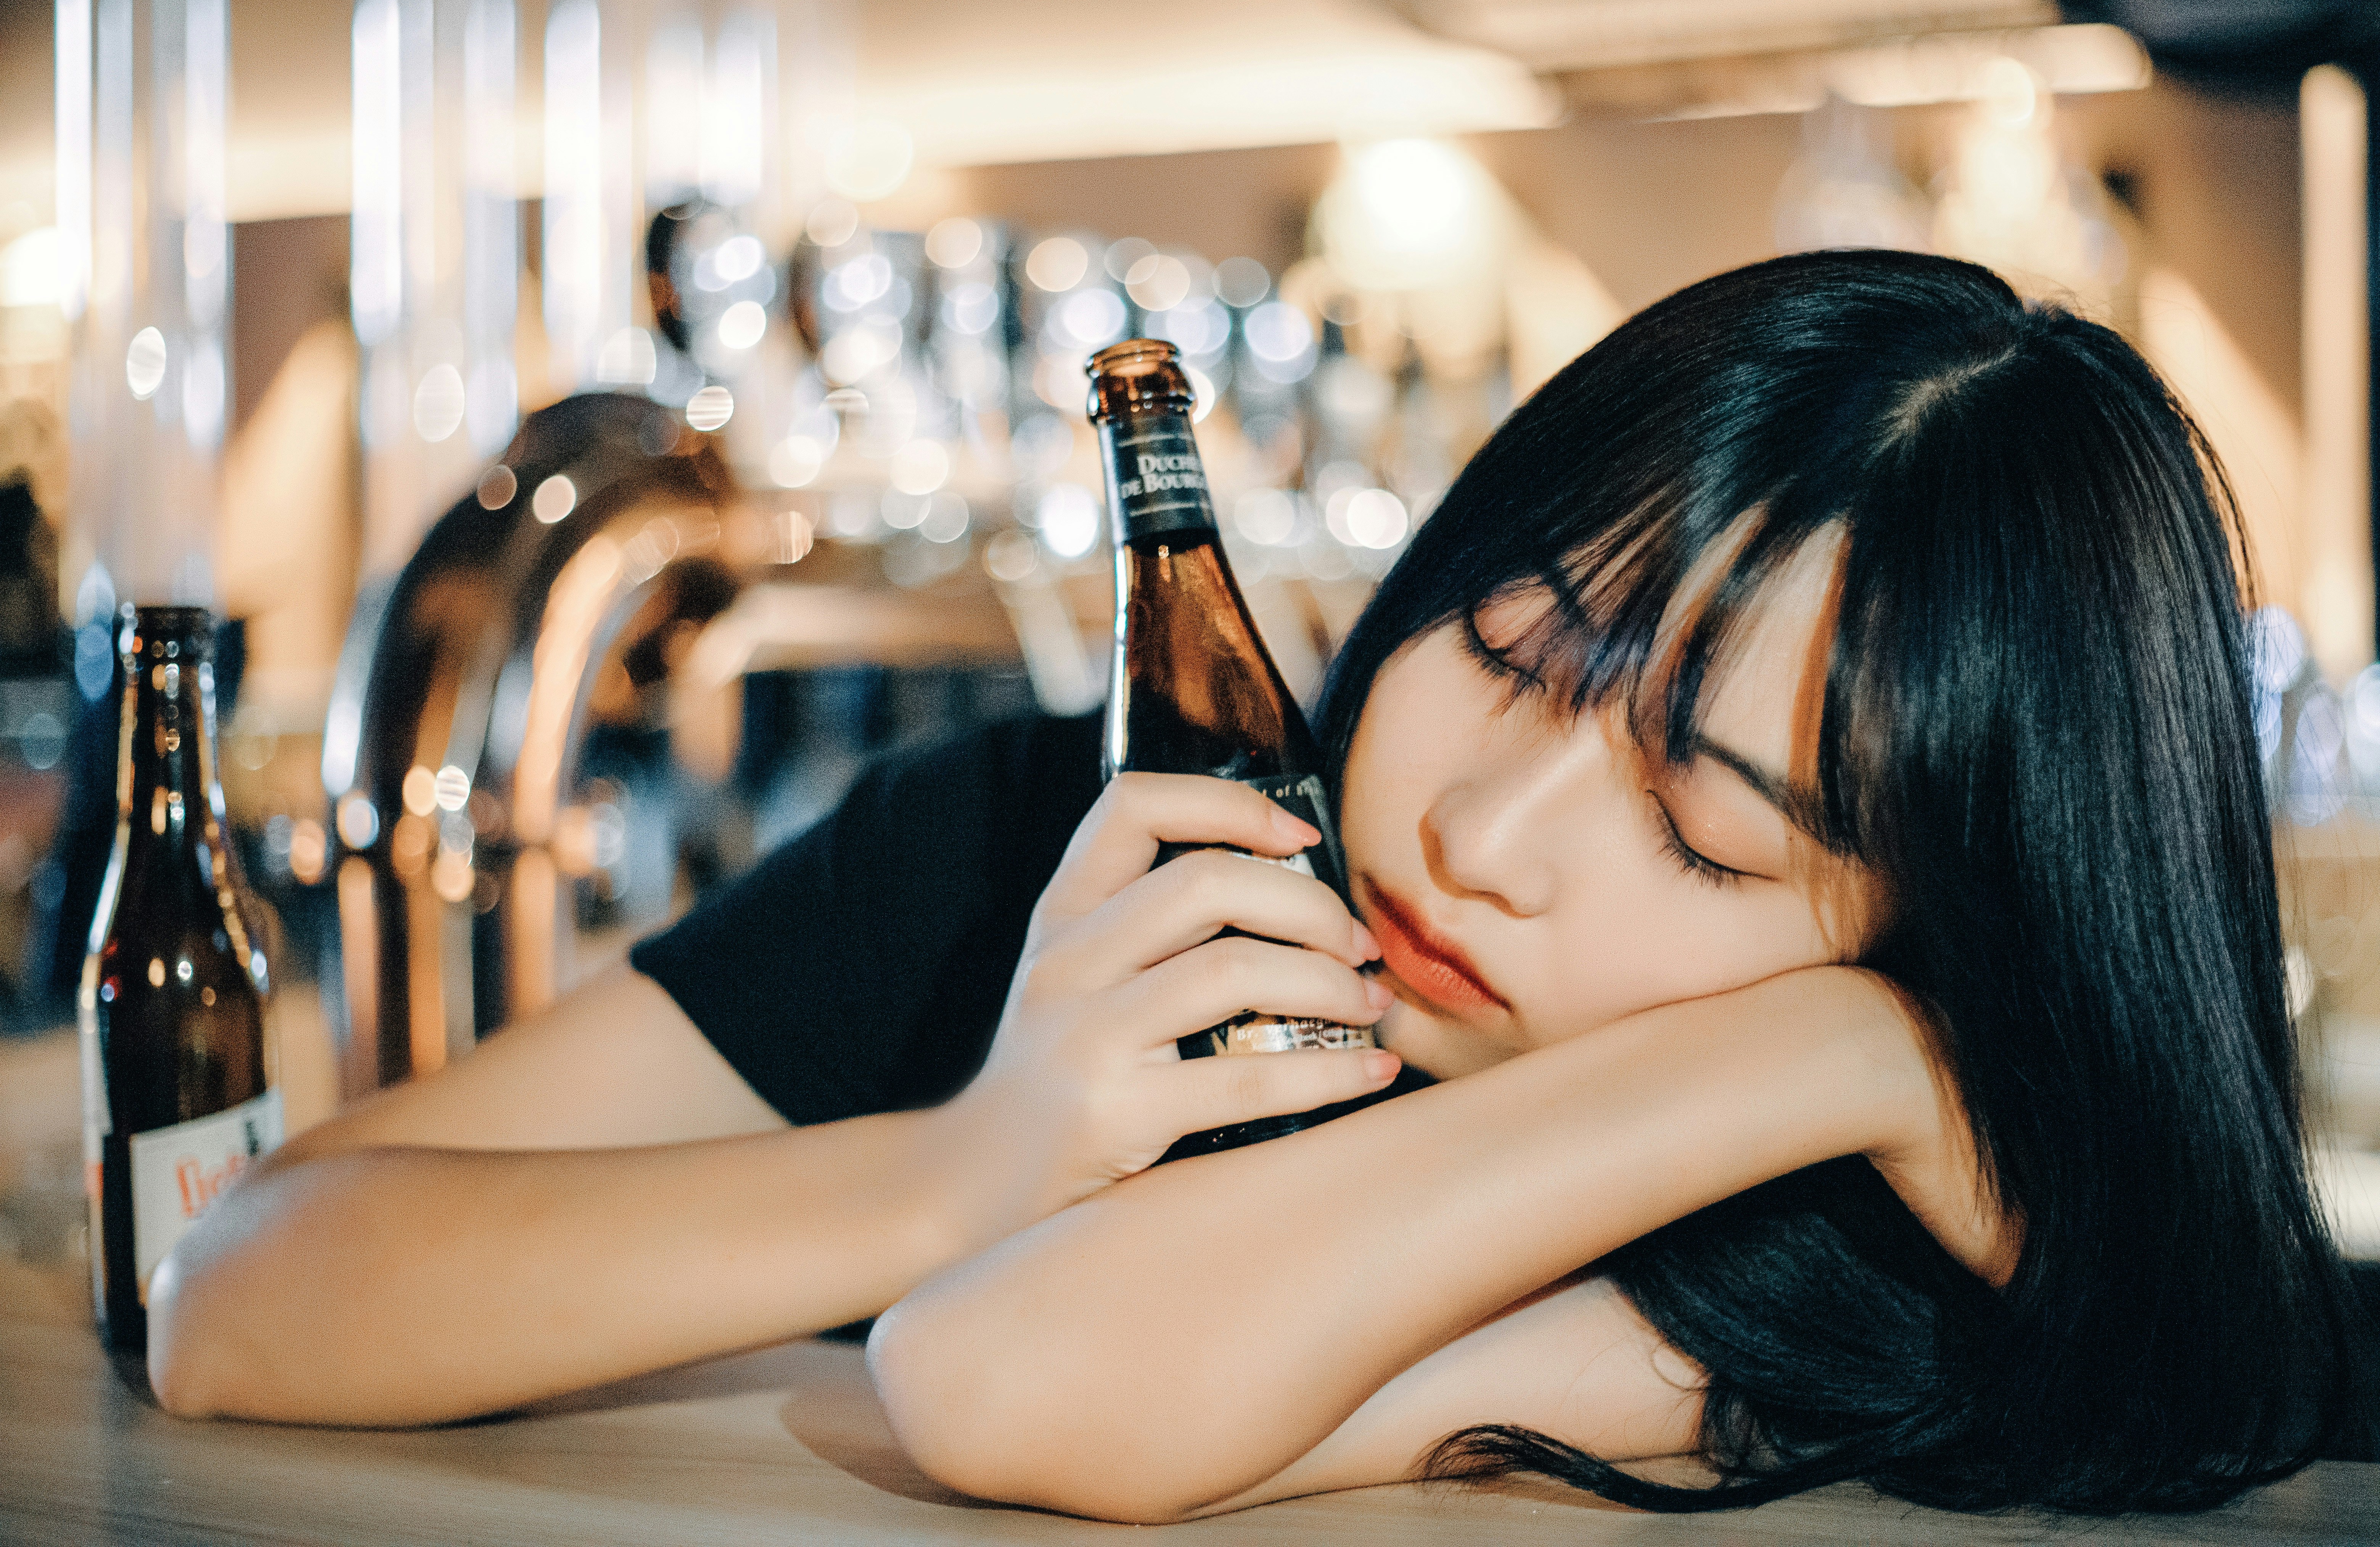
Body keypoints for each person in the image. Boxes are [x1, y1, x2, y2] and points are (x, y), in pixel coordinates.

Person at [148, 251, 2361, 1519]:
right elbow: (243, 1302)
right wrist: (966, 1157)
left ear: (1938, 910)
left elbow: (1022, 1379)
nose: (1482, 842)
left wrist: (1836, 1049)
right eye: (1504, 650)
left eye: (1706, 831)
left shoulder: (1812, 1244)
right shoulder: (1069, 839)